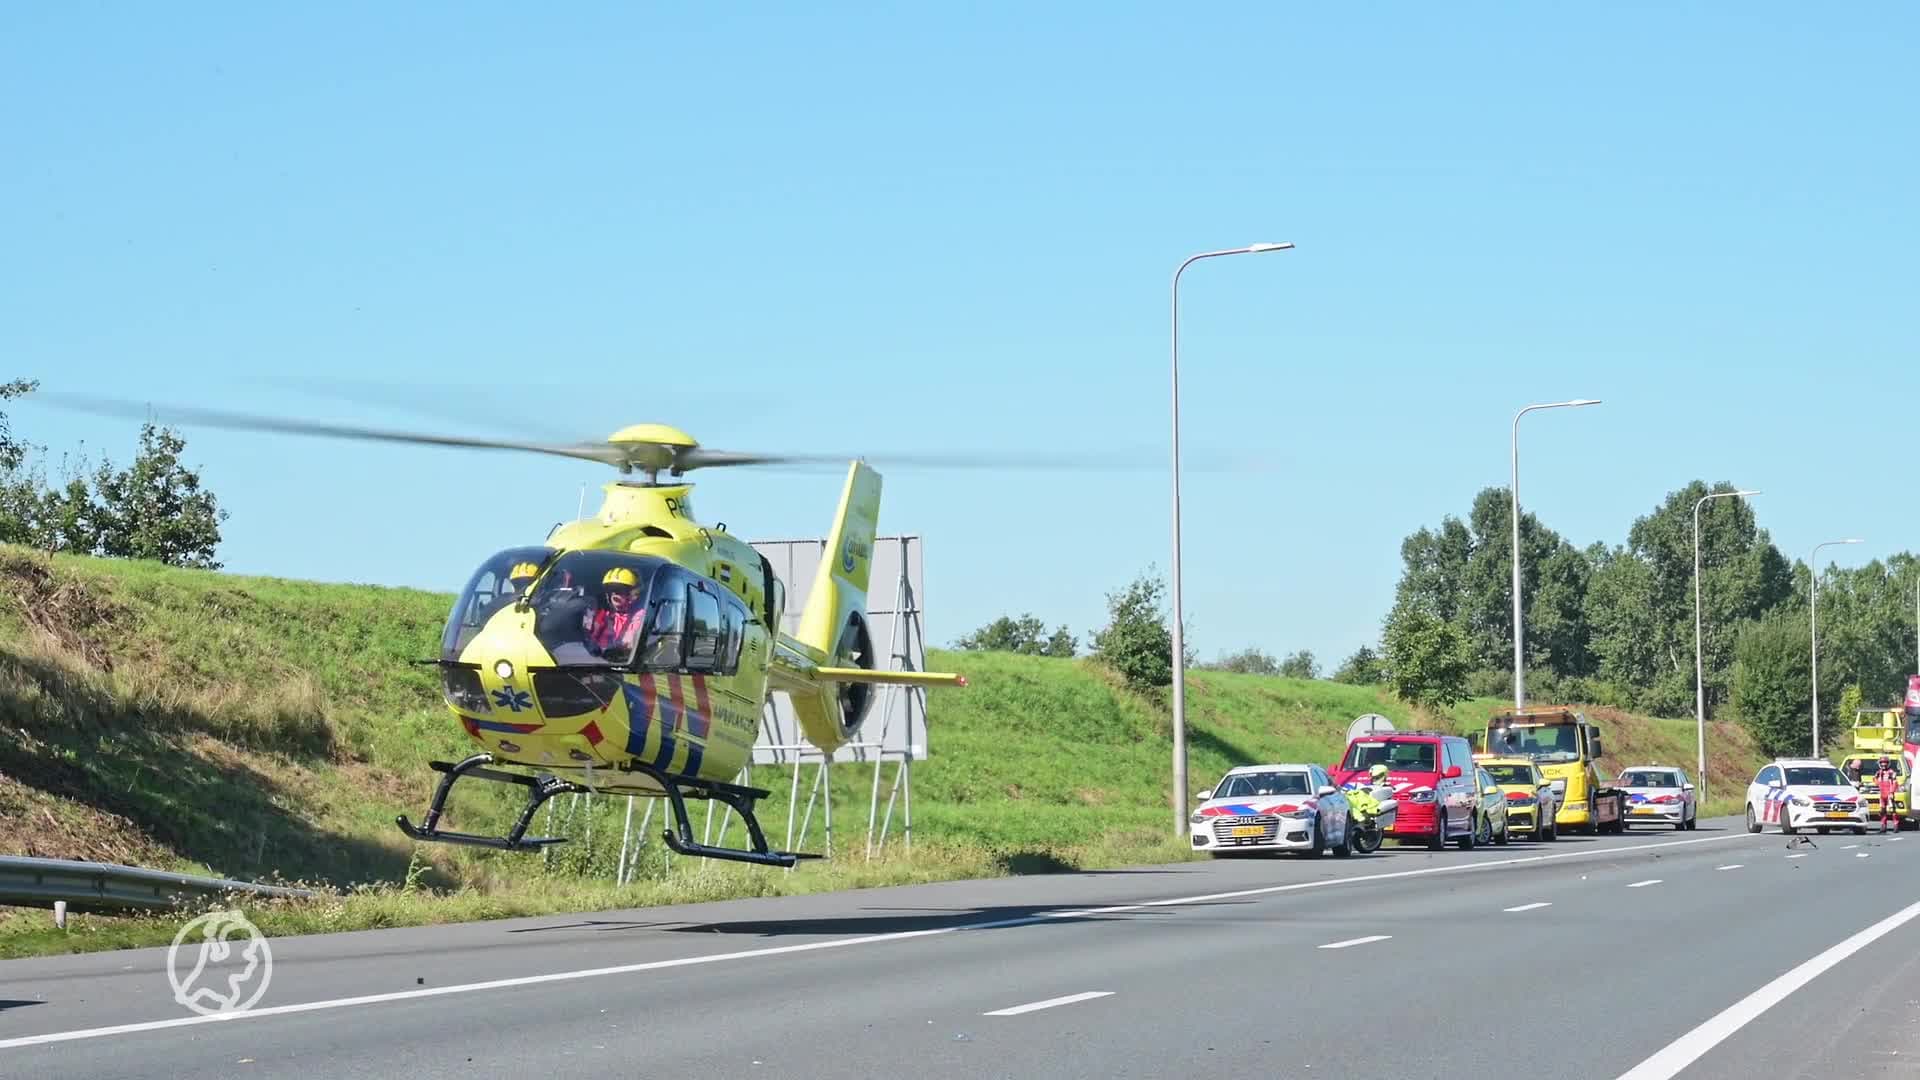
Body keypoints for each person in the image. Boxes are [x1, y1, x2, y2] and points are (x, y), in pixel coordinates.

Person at [586, 567, 643, 659]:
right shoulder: (603, 615)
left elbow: (629, 644)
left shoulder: (640, 617)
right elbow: (589, 640)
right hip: (595, 662)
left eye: (620, 590)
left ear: (633, 595)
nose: (614, 595)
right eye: (611, 590)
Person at [1876, 756, 1901, 834]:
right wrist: (1877, 784)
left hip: (1889, 793)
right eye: (1882, 763)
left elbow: (1895, 783)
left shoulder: (1891, 772)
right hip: (1882, 794)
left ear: (1888, 763)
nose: (1883, 765)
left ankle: (1896, 825)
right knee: (1882, 811)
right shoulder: (1878, 772)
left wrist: (1892, 792)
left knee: (1892, 810)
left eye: (1885, 763)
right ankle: (1883, 826)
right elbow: (1874, 779)